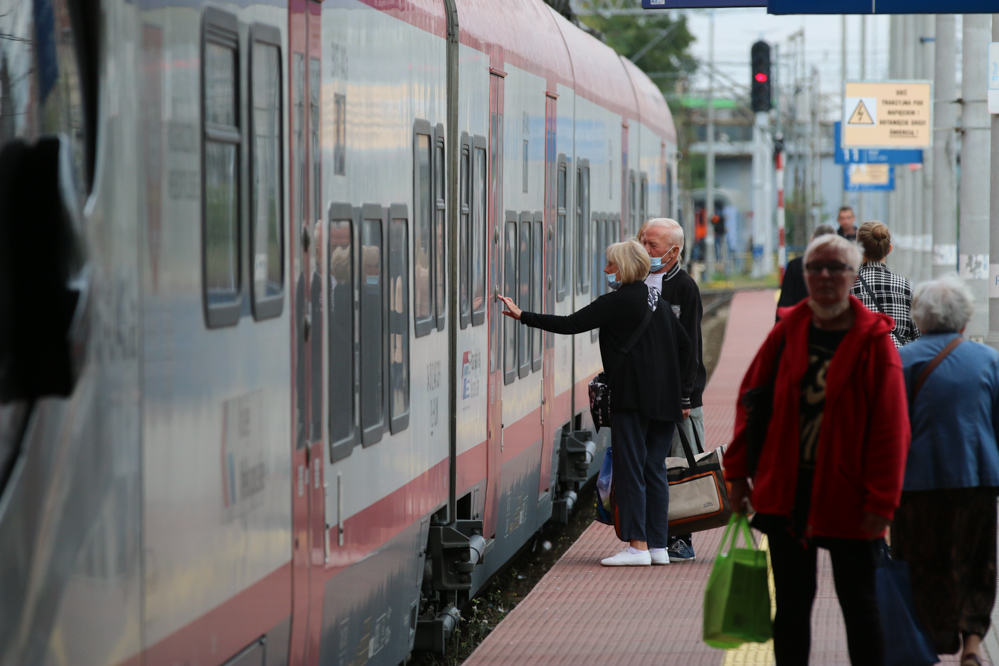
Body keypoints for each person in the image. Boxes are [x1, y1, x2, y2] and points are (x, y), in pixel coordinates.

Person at [725, 234, 910, 666]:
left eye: (836, 268)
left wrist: (884, 501)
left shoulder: (873, 340)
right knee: (791, 605)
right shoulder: (787, 331)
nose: (825, 277)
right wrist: (736, 474)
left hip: (850, 496)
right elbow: (749, 400)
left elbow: (892, 428)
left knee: (860, 604)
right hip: (787, 490)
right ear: (804, 275)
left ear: (853, 276)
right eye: (816, 268)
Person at [498, 240, 694, 567]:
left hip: (632, 401)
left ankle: (636, 546)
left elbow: (570, 324)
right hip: (666, 403)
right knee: (654, 470)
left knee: (631, 471)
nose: (606, 271)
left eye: (610, 265)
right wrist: (671, 381)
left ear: (625, 268)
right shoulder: (657, 300)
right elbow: (686, 346)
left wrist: (522, 316)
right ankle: (659, 546)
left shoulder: (617, 302)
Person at [893, 276, 999, 666]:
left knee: (920, 563)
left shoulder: (899, 362)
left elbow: (887, 429)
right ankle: (971, 644)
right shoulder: (988, 360)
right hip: (977, 480)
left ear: (918, 319)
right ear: (965, 320)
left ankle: (927, 643)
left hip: (914, 486)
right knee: (977, 561)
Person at [639, 218, 706, 563]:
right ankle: (653, 536)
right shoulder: (636, 281)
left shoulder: (684, 287)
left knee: (680, 466)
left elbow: (691, 346)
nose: (644, 249)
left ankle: (682, 538)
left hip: (680, 397)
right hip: (648, 394)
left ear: (673, 251)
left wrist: (686, 397)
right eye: (642, 241)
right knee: (653, 466)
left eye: (652, 245)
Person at [850, 220, 919, 348]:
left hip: (861, 363)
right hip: (899, 363)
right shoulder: (909, 288)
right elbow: (920, 337)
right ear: (889, 249)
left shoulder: (847, 288)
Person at [776, 224, 837, 313]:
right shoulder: (842, 267)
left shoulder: (794, 266)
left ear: (812, 240)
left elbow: (785, 303)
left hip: (800, 321)